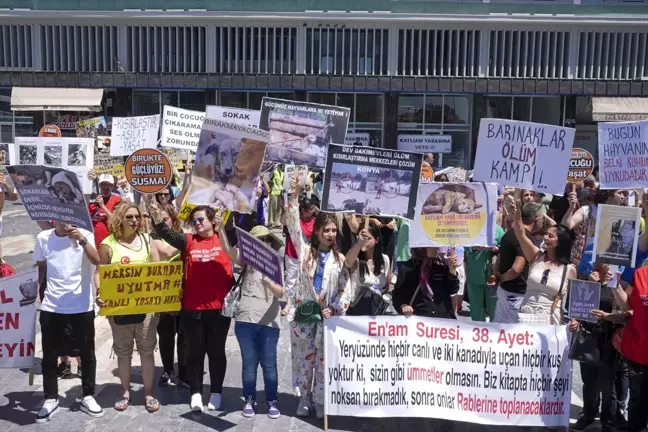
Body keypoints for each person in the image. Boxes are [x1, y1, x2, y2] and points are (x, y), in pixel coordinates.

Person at [149, 203, 234, 413]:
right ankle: (195, 392)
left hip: (219, 310)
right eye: (194, 220)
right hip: (192, 309)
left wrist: (222, 225)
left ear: (212, 221)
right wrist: (156, 218)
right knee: (194, 353)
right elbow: (167, 235)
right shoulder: (188, 241)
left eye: (201, 219)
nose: (196, 223)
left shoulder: (224, 239)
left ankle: (216, 392)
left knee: (216, 353)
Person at [285, 175, 352, 419]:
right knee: (303, 360)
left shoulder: (339, 259)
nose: (331, 234)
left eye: (334, 230)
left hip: (327, 318)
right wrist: (293, 196)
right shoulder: (305, 252)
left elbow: (347, 289)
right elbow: (292, 224)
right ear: (318, 231)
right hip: (304, 315)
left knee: (324, 362)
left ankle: (322, 399)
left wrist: (335, 308)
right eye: (327, 230)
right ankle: (304, 398)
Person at [95, 202, 161, 413]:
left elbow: (158, 271)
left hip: (146, 308)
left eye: (137, 217)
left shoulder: (147, 240)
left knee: (147, 352)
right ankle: (125, 392)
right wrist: (99, 293)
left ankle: (148, 393)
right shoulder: (108, 244)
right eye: (129, 217)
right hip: (119, 309)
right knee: (123, 353)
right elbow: (99, 273)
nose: (134, 220)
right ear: (119, 220)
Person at [34, 222, 102, 423]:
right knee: (49, 355)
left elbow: (97, 260)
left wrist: (80, 239)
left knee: (87, 353)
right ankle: (51, 398)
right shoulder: (43, 237)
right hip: (52, 305)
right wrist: (36, 294)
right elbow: (41, 267)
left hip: (81, 305)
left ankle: (88, 395)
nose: (64, 221)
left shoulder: (86, 234)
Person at [219, 225, 285, 419]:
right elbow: (228, 250)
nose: (262, 243)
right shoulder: (246, 261)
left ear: (270, 243)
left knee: (270, 364)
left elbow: (281, 293)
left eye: (265, 240)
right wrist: (220, 228)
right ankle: (249, 399)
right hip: (245, 319)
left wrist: (269, 283)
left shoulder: (276, 263)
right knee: (249, 363)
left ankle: (271, 400)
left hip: (270, 321)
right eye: (258, 240)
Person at [512, 200, 576, 324]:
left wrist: (575, 320)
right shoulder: (536, 257)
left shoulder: (569, 270)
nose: (545, 237)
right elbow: (520, 234)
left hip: (550, 320)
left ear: (560, 242)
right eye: (546, 234)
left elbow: (575, 301)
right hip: (526, 316)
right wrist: (517, 210)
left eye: (550, 236)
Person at [149, 204, 187, 388]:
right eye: (160, 219)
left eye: (166, 219)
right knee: (165, 334)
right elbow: (160, 256)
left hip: (184, 292)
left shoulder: (183, 236)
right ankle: (167, 369)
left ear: (173, 219)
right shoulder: (154, 238)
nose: (163, 222)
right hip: (164, 292)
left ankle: (183, 370)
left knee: (183, 333)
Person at [493, 202, 545, 323]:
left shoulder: (508, 234)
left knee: (499, 332)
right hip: (516, 296)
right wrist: (501, 278)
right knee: (515, 335)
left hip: (503, 292)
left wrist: (497, 276)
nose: (544, 221)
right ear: (536, 219)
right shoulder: (524, 239)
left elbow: (499, 258)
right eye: (543, 217)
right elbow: (516, 269)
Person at [393, 247, 459, 319]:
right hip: (419, 321)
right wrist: (403, 306)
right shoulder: (408, 268)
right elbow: (398, 295)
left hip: (443, 320)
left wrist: (452, 270)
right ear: (422, 248)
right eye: (432, 246)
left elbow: (453, 289)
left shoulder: (440, 265)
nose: (437, 249)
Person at [344, 223, 392, 316]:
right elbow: (348, 262)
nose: (365, 241)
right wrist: (358, 244)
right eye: (362, 238)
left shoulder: (385, 260)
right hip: (357, 311)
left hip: (376, 312)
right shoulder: (356, 260)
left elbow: (386, 286)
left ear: (377, 240)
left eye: (368, 238)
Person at [281, 196, 316, 316]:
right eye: (306, 209)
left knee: (306, 279)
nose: (308, 212)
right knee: (291, 278)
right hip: (292, 253)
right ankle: (289, 302)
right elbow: (283, 221)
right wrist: (287, 211)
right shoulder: (295, 219)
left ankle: (303, 301)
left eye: (311, 209)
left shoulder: (315, 222)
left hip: (307, 257)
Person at [465, 225, 503, 322]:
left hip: (492, 275)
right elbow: (466, 247)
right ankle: (477, 333)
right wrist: (475, 247)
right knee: (476, 310)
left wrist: (495, 249)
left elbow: (504, 249)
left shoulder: (498, 229)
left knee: (494, 309)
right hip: (474, 274)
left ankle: (495, 333)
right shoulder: (471, 227)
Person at [88, 173, 122, 249]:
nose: (105, 187)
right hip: (94, 242)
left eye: (108, 185)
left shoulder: (117, 200)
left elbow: (116, 221)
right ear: (99, 185)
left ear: (113, 186)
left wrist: (102, 206)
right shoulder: (92, 201)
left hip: (110, 241)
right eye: (103, 184)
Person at [268, 164, 284, 228]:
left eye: (282, 165)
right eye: (280, 165)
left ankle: (277, 222)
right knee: (272, 208)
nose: (281, 166)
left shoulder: (283, 174)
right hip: (274, 192)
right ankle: (271, 223)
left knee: (278, 209)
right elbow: (270, 176)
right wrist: (273, 169)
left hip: (280, 193)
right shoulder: (275, 172)